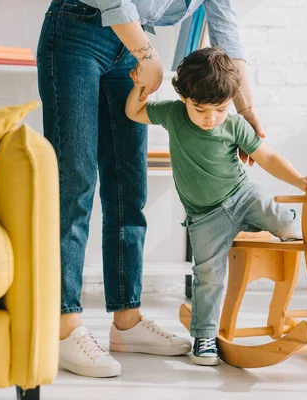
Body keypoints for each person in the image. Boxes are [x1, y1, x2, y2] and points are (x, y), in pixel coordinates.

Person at [37, 0, 267, 377]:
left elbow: (227, 34)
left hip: (132, 44)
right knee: (74, 182)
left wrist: (247, 110)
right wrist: (145, 52)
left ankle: (127, 322)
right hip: (78, 31)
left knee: (129, 186)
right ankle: (64, 326)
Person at [125, 47, 307, 365]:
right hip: (204, 216)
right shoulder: (172, 113)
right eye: (201, 110)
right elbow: (134, 112)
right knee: (208, 275)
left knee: (278, 216)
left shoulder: (235, 125)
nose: (211, 118)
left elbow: (267, 157)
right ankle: (204, 336)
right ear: (184, 97)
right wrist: (140, 87)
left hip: (242, 195)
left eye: (220, 109)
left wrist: (299, 181)